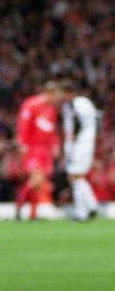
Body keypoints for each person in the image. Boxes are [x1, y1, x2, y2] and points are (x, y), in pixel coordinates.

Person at [14, 80, 65, 221]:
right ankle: (19, 207)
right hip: (33, 148)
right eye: (56, 95)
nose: (57, 99)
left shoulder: (52, 109)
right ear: (49, 93)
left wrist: (55, 144)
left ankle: (32, 214)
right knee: (36, 179)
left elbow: (52, 130)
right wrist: (22, 142)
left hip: (45, 150)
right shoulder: (31, 104)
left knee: (39, 183)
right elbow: (23, 124)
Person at [60, 79, 100, 221]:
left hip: (79, 144)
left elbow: (75, 127)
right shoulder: (86, 102)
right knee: (79, 176)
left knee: (74, 176)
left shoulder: (72, 105)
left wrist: (70, 147)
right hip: (89, 142)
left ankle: (81, 212)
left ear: (67, 93)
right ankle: (92, 205)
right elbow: (98, 119)